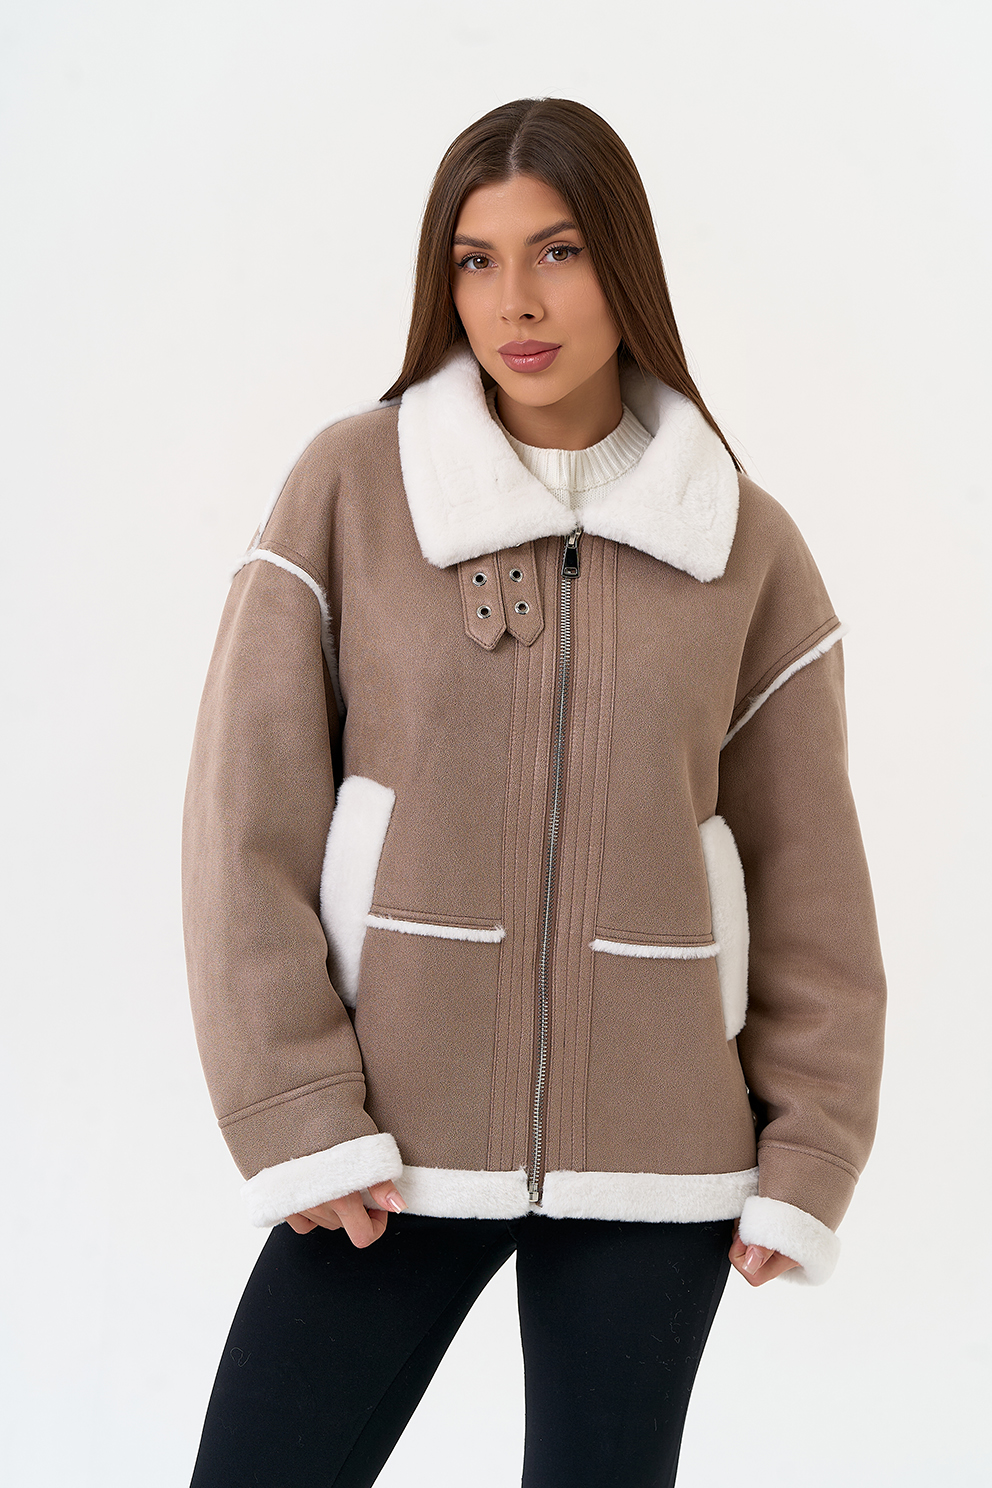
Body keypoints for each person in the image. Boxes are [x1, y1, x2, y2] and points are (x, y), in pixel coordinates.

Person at [181, 97, 886, 1487]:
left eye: (557, 251)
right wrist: (297, 1105)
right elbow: (242, 823)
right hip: (385, 1141)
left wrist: (811, 1146)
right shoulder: (353, 490)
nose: (516, 300)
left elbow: (811, 877)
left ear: (625, 264)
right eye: (476, 259)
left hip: (661, 1156)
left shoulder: (743, 546)